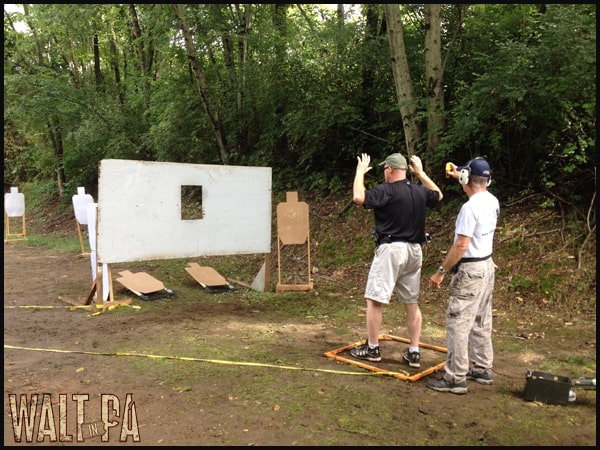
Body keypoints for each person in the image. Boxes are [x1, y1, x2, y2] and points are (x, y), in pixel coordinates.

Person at [350, 152, 443, 368]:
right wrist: (420, 173)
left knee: (375, 300)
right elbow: (438, 195)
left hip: (392, 250)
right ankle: (414, 351)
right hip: (415, 251)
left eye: (384, 169)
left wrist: (359, 172)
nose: (384, 173)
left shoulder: (387, 190)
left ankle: (372, 348)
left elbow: (358, 197)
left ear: (390, 169)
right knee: (411, 302)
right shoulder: (419, 190)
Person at [426, 157, 499, 394]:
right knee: (481, 319)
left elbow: (461, 246)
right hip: (487, 266)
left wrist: (441, 272)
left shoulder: (469, 209)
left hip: (470, 270)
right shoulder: (492, 200)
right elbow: (475, 184)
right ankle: (481, 367)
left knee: (458, 323)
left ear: (469, 178)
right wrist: (462, 175)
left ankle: (455, 377)